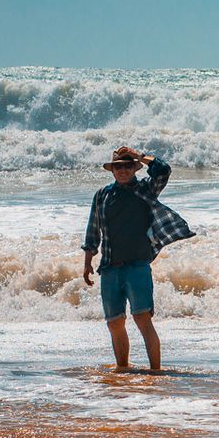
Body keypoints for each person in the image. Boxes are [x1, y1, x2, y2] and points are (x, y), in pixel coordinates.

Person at [81, 146, 194, 370]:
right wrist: (87, 262)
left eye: (127, 166)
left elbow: (163, 170)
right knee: (114, 323)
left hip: (138, 267)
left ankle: (155, 372)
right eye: (118, 167)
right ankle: (122, 370)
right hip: (110, 268)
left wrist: (140, 156)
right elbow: (93, 231)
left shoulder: (145, 189)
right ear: (112, 170)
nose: (122, 170)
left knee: (142, 319)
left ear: (134, 168)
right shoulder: (102, 195)